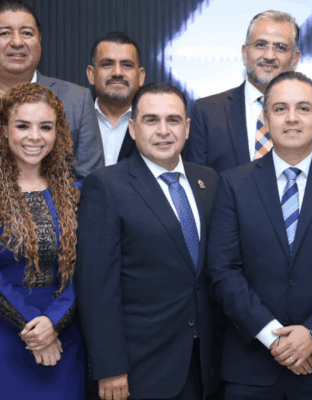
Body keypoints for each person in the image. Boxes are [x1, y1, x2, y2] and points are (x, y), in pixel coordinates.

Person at [205, 71, 312, 400]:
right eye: (280, 108)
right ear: (265, 118)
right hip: (251, 368)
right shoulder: (233, 184)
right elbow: (222, 270)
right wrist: (273, 337)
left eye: (303, 108)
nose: (292, 118)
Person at [77, 83, 220, 400]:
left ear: (187, 128)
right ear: (133, 128)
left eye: (173, 120)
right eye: (151, 120)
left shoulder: (208, 180)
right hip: (139, 366)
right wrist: (109, 366)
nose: (163, 130)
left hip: (204, 361)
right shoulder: (106, 186)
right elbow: (96, 286)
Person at [0, 82, 85, 398]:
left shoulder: (77, 195)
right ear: (4, 129)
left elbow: (90, 270)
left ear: (57, 133)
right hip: (6, 335)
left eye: (45, 127)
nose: (34, 136)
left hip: (66, 337)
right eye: (23, 125)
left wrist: (54, 323)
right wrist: (34, 327)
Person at [185, 10, 312, 173]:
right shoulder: (207, 112)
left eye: (280, 47)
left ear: (295, 59)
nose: (269, 56)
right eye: (260, 45)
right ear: (244, 52)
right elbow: (197, 182)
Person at [0, 0, 104, 180]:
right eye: (4, 33)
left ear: (39, 42)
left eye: (27, 33)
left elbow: (90, 181)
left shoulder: (77, 100)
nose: (17, 42)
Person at [86, 31, 145, 166]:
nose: (117, 73)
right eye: (107, 64)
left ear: (141, 76)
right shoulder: (71, 120)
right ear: (91, 75)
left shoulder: (156, 125)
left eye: (127, 65)